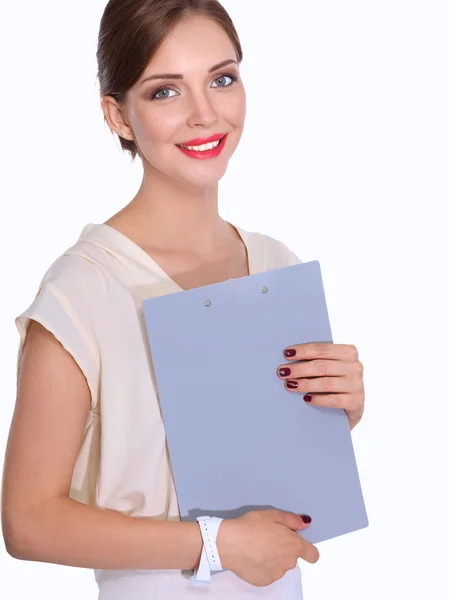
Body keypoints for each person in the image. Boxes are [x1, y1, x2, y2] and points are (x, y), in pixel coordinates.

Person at [2, 0, 364, 598]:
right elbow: (27, 521)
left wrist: (339, 410)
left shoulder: (277, 265)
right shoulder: (83, 291)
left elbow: (267, 460)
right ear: (117, 116)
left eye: (222, 79)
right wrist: (217, 543)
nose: (205, 115)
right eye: (165, 92)